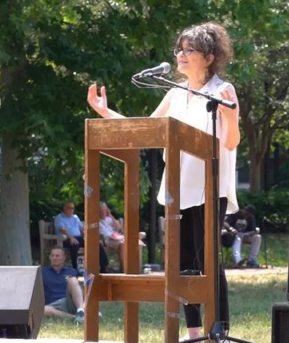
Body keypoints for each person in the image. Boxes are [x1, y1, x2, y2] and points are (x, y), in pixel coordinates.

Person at [87, 21, 240, 340]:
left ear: (209, 57)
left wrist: (230, 117)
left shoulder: (222, 91)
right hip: (177, 189)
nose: (181, 55)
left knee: (206, 260)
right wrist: (106, 113)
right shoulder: (174, 93)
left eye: (189, 50)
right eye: (179, 49)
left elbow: (230, 143)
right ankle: (195, 330)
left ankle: (219, 330)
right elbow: (146, 130)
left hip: (209, 189)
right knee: (182, 262)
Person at [54, 201, 109, 274]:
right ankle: (75, 269)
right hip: (65, 239)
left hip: (78, 238)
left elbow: (82, 228)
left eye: (73, 208)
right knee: (74, 245)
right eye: (69, 208)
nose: (71, 210)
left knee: (96, 243)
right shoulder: (59, 218)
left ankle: (103, 267)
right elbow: (62, 229)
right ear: (64, 208)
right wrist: (71, 238)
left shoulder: (75, 217)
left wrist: (88, 238)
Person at [42, 246, 87, 323]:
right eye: (52, 256)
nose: (54, 258)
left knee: (72, 279)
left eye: (57, 256)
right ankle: (75, 318)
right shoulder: (42, 272)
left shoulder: (72, 271)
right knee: (43, 310)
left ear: (64, 258)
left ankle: (80, 310)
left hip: (68, 301)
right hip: (53, 304)